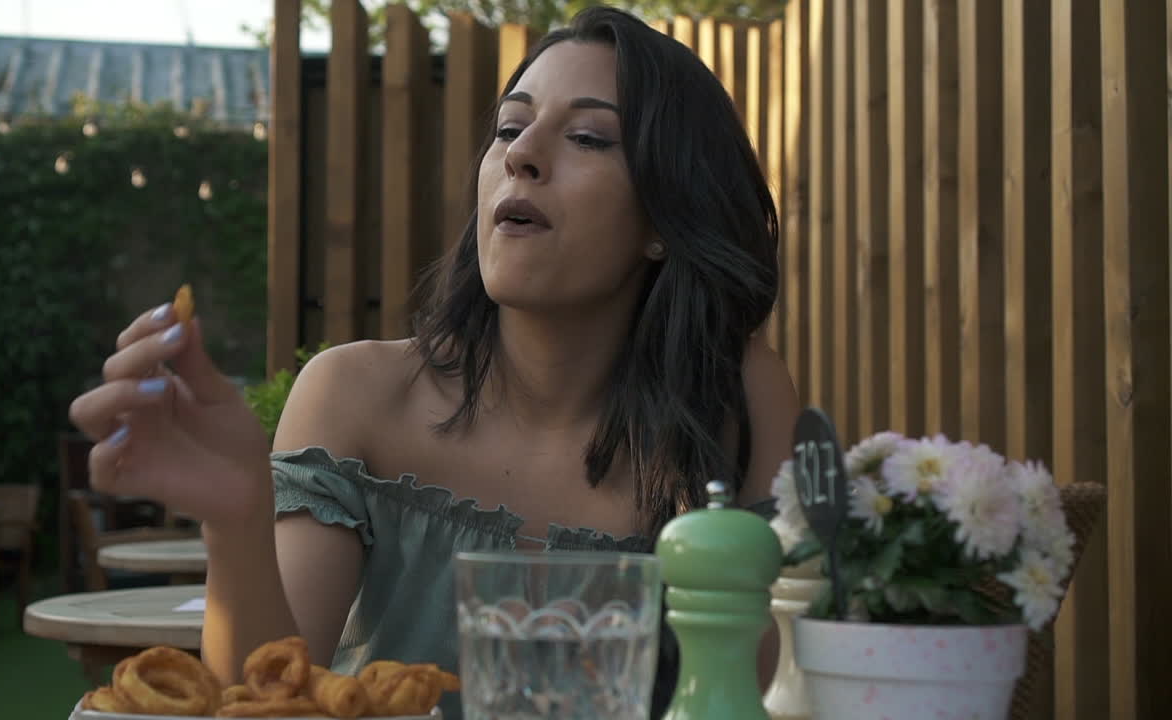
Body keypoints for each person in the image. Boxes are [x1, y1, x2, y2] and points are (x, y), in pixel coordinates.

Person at [68, 5, 799, 717]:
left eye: (587, 137)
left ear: (665, 221)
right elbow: (266, 700)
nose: (520, 153)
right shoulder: (354, 393)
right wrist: (234, 522)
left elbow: (767, 691)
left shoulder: (736, 395)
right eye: (509, 128)